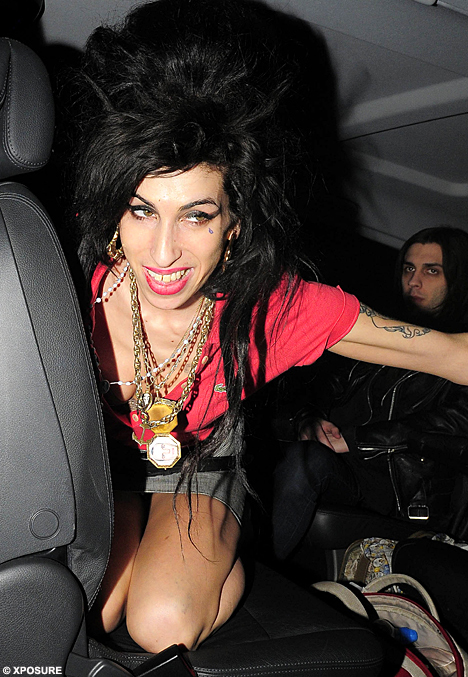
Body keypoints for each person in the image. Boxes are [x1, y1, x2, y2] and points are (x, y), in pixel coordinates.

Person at [72, 0, 468, 654]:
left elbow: (451, 353)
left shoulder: (276, 309)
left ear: (234, 225)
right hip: (96, 466)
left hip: (201, 466)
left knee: (160, 622)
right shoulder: (65, 280)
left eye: (197, 215)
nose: (163, 252)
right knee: (87, 605)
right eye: (142, 210)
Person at [272, 226, 468, 560]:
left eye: (432, 271)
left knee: (306, 461)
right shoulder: (383, 332)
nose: (414, 281)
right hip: (339, 464)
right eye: (409, 268)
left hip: (400, 491)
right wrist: (309, 420)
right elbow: (317, 388)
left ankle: (265, 575)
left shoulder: (458, 352)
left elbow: (452, 424)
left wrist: (355, 439)